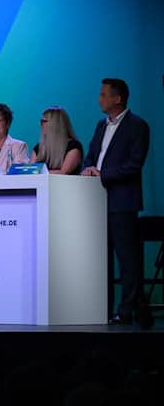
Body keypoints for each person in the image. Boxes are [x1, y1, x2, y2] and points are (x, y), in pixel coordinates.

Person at [80, 78, 150, 324]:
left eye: (103, 94)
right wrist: (88, 169)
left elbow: (134, 164)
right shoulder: (101, 125)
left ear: (117, 98)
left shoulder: (137, 125)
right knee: (102, 260)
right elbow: (91, 155)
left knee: (127, 261)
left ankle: (128, 310)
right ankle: (103, 310)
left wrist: (104, 174)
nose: (99, 99)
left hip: (122, 203)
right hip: (97, 203)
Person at [29, 106, 84, 174]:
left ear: (56, 124)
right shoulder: (39, 148)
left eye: (44, 121)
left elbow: (63, 172)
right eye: (41, 121)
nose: (41, 124)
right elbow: (30, 172)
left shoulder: (73, 147)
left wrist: (38, 172)